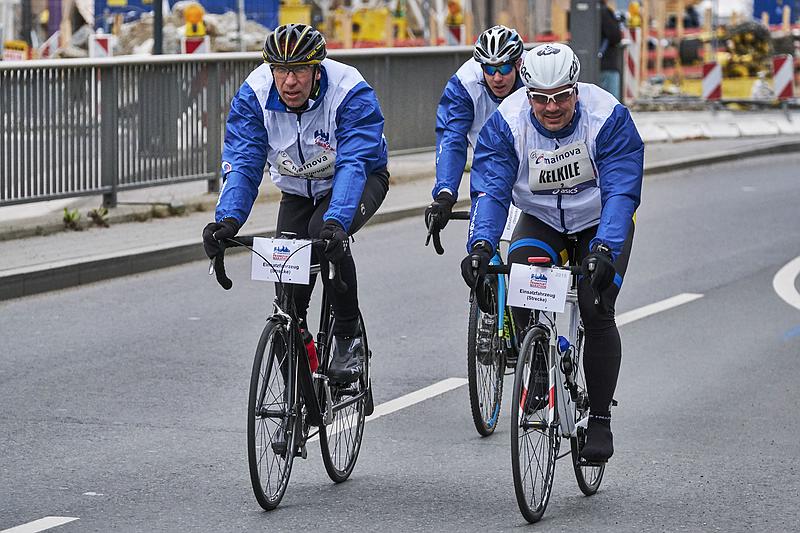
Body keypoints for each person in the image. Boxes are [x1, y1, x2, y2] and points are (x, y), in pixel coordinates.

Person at [460, 42, 644, 463]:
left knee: (596, 308)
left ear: (576, 89)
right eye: (541, 98)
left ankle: (598, 419)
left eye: (561, 95)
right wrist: (482, 245)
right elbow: (490, 190)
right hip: (542, 218)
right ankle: (538, 363)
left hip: (599, 221)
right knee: (520, 281)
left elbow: (620, 191)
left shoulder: (607, 117)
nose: (552, 107)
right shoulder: (508, 123)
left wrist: (605, 248)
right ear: (527, 95)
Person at [202, 23, 389, 384]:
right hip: (298, 189)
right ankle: (297, 412)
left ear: (317, 68)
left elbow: (353, 164)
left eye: (300, 69)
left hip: (357, 180)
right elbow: (243, 160)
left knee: (323, 234)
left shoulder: (349, 91)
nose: (289, 81)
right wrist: (227, 220)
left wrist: (337, 220)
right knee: (288, 294)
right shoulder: (254, 95)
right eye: (281, 70)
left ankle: (348, 337)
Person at [424, 25, 524, 236]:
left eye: (504, 69)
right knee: (482, 241)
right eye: (489, 69)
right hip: (491, 162)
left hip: (532, 160)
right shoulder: (464, 84)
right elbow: (452, 138)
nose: (497, 77)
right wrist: (445, 193)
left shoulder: (534, 76)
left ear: (518, 64)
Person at [599, 0, 624, 100]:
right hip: (607, 63)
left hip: (592, 65)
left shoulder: (581, 15)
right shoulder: (605, 12)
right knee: (612, 104)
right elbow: (615, 36)